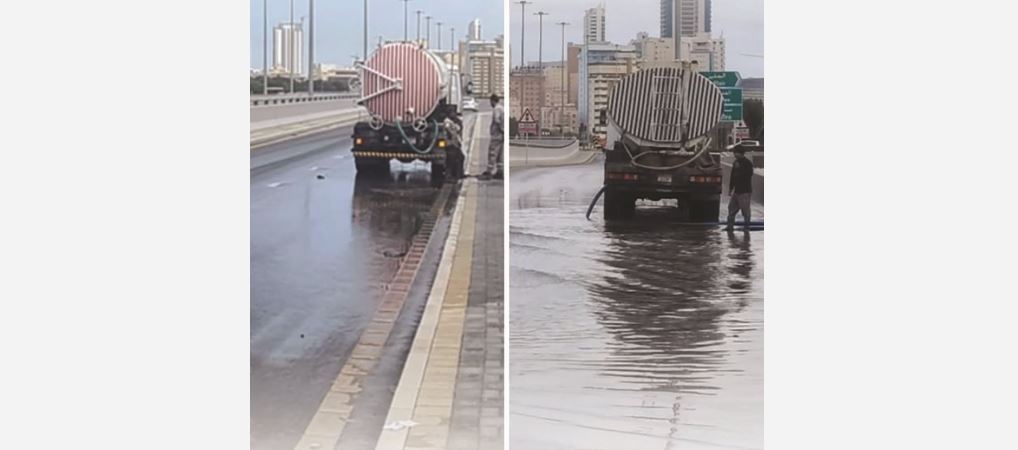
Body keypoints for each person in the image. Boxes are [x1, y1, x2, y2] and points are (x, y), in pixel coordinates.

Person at [726, 145, 755, 232]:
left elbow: (749, 174)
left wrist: (740, 169)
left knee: (745, 211)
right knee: (731, 209)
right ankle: (729, 227)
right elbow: (732, 176)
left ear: (741, 153)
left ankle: (746, 227)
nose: (735, 154)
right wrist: (731, 188)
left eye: (736, 153)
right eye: (734, 152)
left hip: (745, 191)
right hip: (736, 191)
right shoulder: (735, 163)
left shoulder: (747, 163)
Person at [482, 93, 504, 179]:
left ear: (492, 101)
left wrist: (501, 130)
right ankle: (500, 171)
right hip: (502, 135)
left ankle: (489, 171)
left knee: (492, 152)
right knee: (500, 154)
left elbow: (497, 120)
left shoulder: (496, 109)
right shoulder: (502, 108)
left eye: (490, 102)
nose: (490, 104)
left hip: (497, 135)